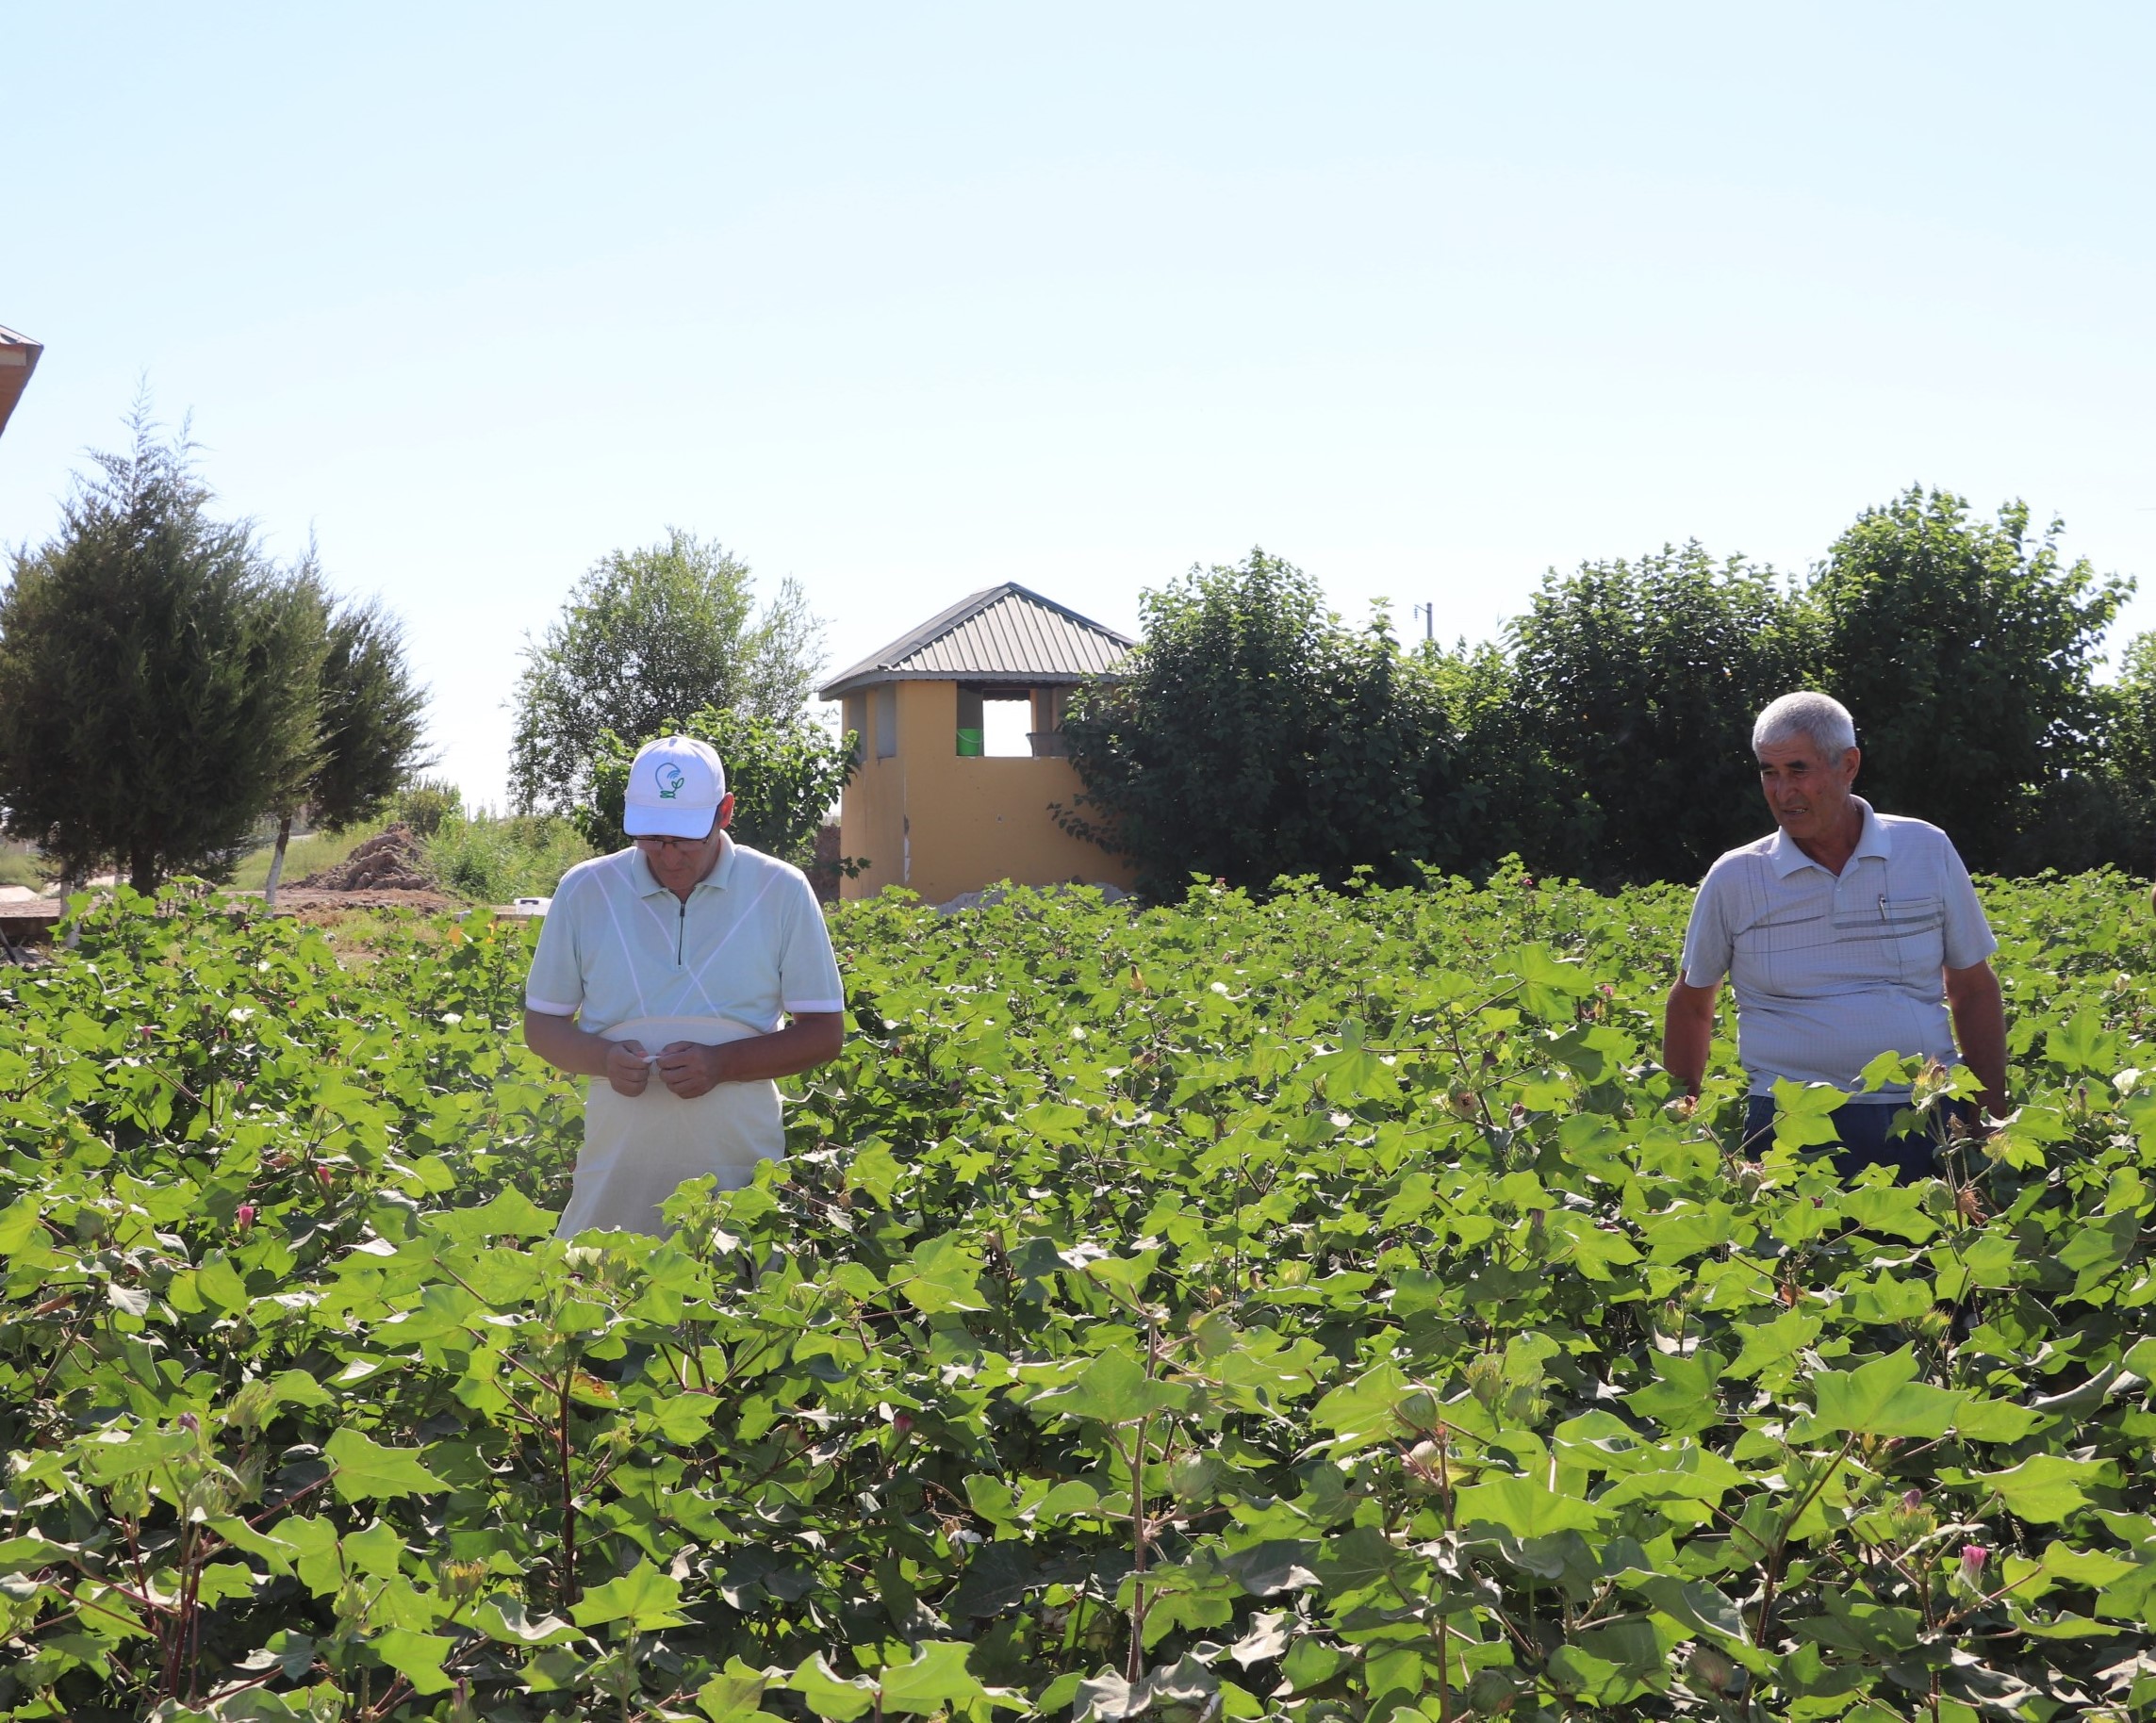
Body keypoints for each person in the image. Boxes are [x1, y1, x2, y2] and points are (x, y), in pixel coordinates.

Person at [1662, 691, 2007, 1182]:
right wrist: (1683, 1121)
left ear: (1848, 765)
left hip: (1922, 1112)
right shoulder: (1736, 877)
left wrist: (1987, 1116)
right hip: (1787, 1125)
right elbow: (1692, 1002)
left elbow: (1973, 988)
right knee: (1797, 1253)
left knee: (1933, 1256)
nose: (1782, 792)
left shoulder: (1924, 849)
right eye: (1768, 772)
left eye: (1798, 770)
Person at [521, 735, 846, 1236]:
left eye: (685, 838)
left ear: (725, 812)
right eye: (652, 837)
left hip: (738, 1170)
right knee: (601, 1294)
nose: (668, 857)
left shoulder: (780, 890)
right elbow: (543, 1024)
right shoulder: (585, 890)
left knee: (734, 1298)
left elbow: (824, 1032)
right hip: (617, 1168)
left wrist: (722, 1064)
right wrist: (604, 1061)